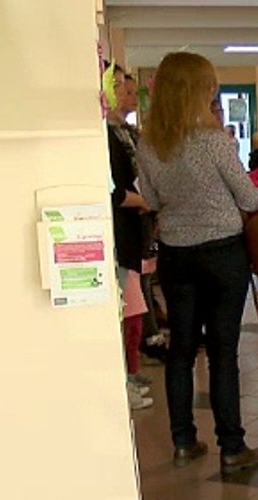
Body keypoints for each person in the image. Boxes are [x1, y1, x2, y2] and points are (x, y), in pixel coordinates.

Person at [136, 52, 258, 475]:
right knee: (223, 352)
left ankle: (183, 440)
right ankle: (232, 446)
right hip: (222, 253)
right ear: (197, 92)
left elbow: (151, 202)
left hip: (176, 256)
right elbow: (249, 198)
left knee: (182, 350)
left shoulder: (149, 143)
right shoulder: (214, 141)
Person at [104, 65, 154, 411]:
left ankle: (131, 370)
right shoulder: (107, 137)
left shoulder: (130, 134)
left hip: (136, 232)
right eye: (120, 86)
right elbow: (116, 190)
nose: (127, 94)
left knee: (135, 304)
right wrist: (145, 201)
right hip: (121, 233)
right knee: (130, 308)